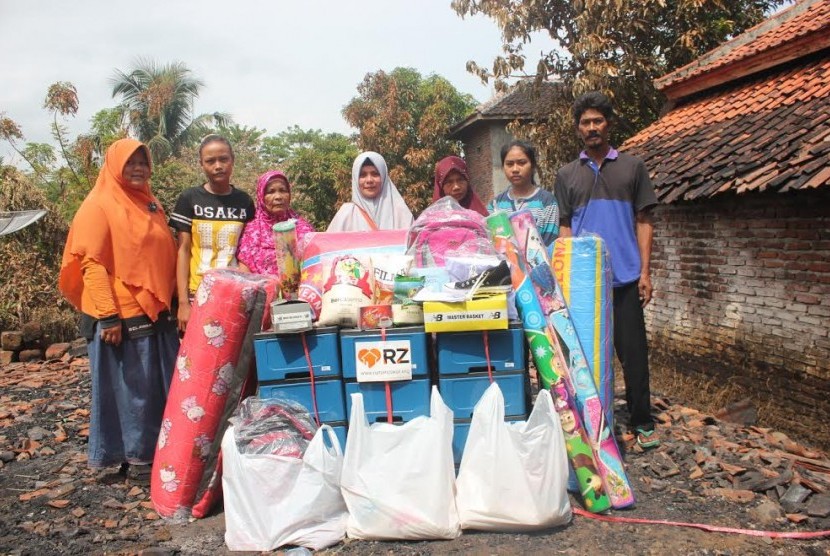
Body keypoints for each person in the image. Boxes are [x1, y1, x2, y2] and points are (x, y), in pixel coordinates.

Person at [58, 138, 179, 477]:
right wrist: (108, 316)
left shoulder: (148, 202)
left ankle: (156, 452)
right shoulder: (99, 205)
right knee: (132, 391)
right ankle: (138, 459)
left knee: (156, 386)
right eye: (131, 163)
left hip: (156, 312)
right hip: (121, 315)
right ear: (115, 165)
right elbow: (91, 264)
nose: (138, 168)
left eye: (143, 162)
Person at [554, 91, 660, 449]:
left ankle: (643, 422)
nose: (592, 127)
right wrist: (565, 279)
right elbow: (565, 229)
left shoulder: (632, 167)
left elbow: (645, 221)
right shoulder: (567, 175)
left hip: (626, 277)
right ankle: (590, 422)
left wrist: (645, 272)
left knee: (633, 356)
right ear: (578, 129)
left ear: (608, 124)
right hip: (585, 285)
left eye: (598, 120)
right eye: (585, 122)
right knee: (584, 357)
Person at [168, 135, 254, 332]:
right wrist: (182, 303)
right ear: (201, 164)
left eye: (223, 159)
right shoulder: (189, 198)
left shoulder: (245, 202)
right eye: (210, 161)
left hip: (234, 291)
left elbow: (247, 250)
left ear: (233, 160)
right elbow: (183, 251)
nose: (218, 166)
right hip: (198, 292)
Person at [237, 170, 315, 276]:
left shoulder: (303, 229)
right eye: (271, 192)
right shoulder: (251, 231)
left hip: (300, 291)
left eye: (283, 190)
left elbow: (315, 265)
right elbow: (244, 271)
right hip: (260, 290)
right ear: (261, 197)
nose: (278, 197)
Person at [488, 140, 559, 247]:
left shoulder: (547, 202)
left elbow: (550, 244)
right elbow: (493, 243)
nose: (515, 169)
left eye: (522, 163)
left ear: (533, 165)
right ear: (503, 167)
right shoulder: (495, 205)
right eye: (509, 164)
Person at [327, 151, 413, 232]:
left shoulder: (401, 213)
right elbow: (328, 245)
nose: (369, 180)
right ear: (355, 180)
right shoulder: (346, 215)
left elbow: (415, 244)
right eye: (363, 175)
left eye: (375, 174)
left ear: (384, 177)